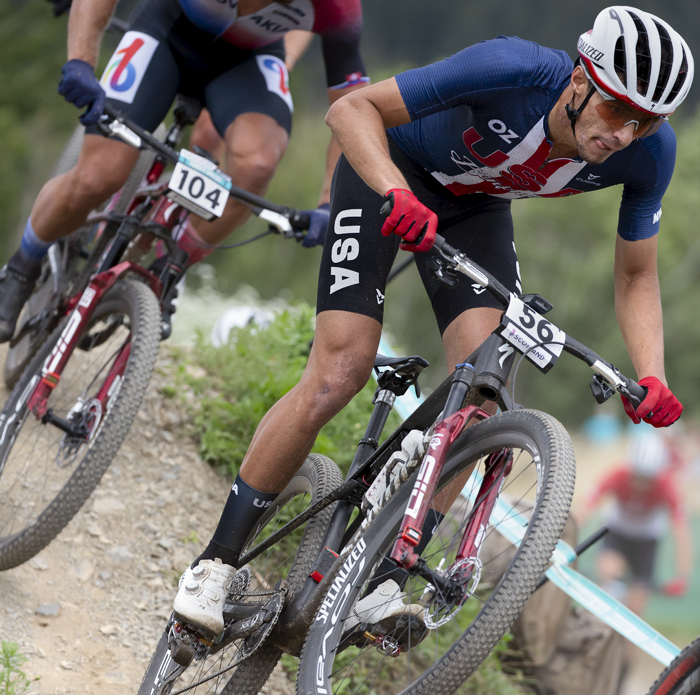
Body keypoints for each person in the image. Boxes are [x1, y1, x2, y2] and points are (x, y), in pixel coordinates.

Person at [172, 6, 693, 638]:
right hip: (388, 170)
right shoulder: (512, 68)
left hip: (475, 210)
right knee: (340, 370)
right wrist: (396, 192)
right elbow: (351, 111)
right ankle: (214, 565)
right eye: (617, 109)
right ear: (582, 78)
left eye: (646, 121)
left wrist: (652, 374)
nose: (625, 133)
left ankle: (386, 577)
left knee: (485, 393)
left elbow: (637, 274)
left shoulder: (648, 154)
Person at [0, 0, 369, 342]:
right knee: (99, 176)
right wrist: (81, 60)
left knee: (255, 168)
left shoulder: (337, 7)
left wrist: (330, 204)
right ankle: (21, 266)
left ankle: (171, 266)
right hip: (167, 30)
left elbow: (353, 109)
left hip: (247, 63)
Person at [581, 430, 692, 615]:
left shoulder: (667, 485)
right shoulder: (617, 474)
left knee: (636, 608)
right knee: (609, 571)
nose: (641, 484)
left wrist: (682, 576)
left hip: (647, 540)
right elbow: (585, 508)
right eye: (637, 476)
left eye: (647, 479)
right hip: (616, 531)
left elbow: (681, 531)